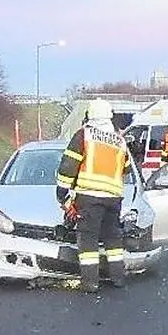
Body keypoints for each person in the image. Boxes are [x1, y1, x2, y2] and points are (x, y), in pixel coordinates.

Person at [56, 98, 134, 293]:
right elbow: (126, 169)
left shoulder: (84, 135)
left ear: (90, 115)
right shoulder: (120, 140)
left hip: (89, 196)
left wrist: (62, 192)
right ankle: (118, 278)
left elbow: (69, 165)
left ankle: (90, 283)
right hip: (114, 197)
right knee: (113, 239)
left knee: (88, 239)